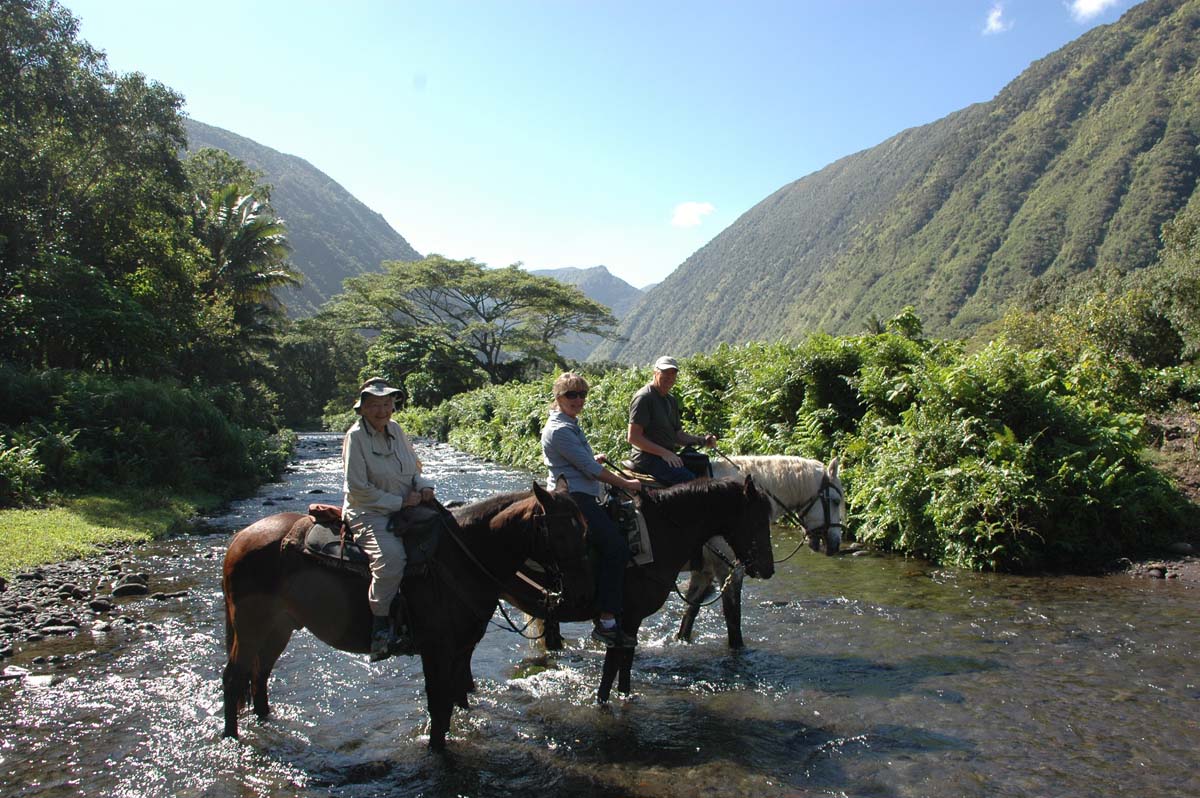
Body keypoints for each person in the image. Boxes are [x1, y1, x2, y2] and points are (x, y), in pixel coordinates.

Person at [541, 372, 642, 647]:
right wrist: (627, 483)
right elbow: (591, 471)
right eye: (571, 395)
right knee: (616, 548)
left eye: (582, 394)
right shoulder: (561, 429)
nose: (578, 400)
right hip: (575, 497)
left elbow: (582, 461)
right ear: (558, 397)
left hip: (580, 491)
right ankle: (607, 621)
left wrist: (590, 457)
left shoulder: (569, 423)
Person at [342, 377, 436, 662]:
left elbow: (414, 468)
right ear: (363, 408)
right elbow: (357, 488)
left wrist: (423, 485)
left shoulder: (396, 429)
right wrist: (399, 501)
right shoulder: (356, 437)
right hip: (369, 512)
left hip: (408, 507)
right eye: (375, 405)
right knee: (391, 560)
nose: (382, 410)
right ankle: (380, 629)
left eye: (387, 404)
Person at [627, 356, 718, 486]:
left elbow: (678, 435)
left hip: (667, 456)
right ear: (655, 372)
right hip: (647, 458)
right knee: (693, 484)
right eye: (665, 373)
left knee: (704, 468)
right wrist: (665, 453)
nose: (669, 377)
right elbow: (633, 437)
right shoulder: (644, 398)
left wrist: (703, 440)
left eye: (672, 374)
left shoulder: (671, 400)